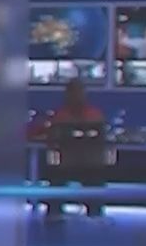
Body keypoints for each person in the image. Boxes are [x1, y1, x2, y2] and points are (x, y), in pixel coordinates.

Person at [43, 79, 107, 220]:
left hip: (88, 164)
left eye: (79, 92)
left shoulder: (94, 114)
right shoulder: (60, 116)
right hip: (67, 164)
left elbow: (101, 137)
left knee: (94, 180)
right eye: (73, 93)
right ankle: (54, 214)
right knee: (55, 179)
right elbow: (51, 138)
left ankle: (95, 214)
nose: (76, 96)